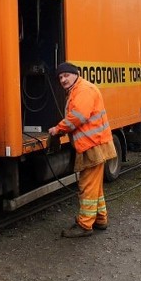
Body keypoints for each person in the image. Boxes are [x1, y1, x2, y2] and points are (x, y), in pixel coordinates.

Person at [48, 62, 117, 238]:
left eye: (66, 75)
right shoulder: (78, 90)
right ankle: (101, 219)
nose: (63, 79)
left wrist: (58, 129)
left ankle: (85, 225)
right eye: (60, 77)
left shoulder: (83, 90)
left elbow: (78, 117)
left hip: (93, 145)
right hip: (93, 144)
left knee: (87, 186)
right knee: (95, 186)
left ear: (75, 74)